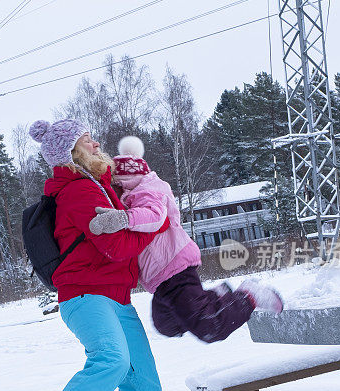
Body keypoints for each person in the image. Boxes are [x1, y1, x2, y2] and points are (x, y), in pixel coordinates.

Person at [27, 119, 170, 391]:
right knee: (111, 359)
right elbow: (117, 246)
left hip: (116, 297)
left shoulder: (99, 185)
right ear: (71, 151)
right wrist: (156, 225)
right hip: (85, 295)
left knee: (144, 383)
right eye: (87, 140)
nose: (95, 144)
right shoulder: (79, 191)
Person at [89, 136, 283, 344]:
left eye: (114, 186)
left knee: (209, 327)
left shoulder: (147, 193)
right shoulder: (132, 195)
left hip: (174, 268)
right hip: (160, 278)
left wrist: (122, 218)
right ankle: (214, 297)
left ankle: (249, 296)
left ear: (124, 182)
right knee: (166, 324)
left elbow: (155, 216)